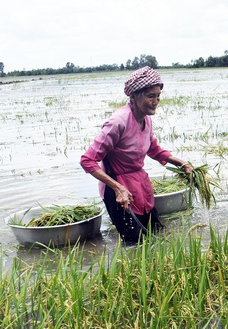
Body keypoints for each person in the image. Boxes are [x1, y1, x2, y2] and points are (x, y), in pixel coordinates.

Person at [80, 66, 192, 243]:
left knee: (156, 232)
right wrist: (118, 188)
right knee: (134, 242)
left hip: (140, 185)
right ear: (133, 96)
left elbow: (154, 149)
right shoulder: (118, 123)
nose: (156, 101)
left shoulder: (146, 119)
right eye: (150, 96)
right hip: (118, 189)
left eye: (158, 96)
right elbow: (87, 160)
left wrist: (181, 164)